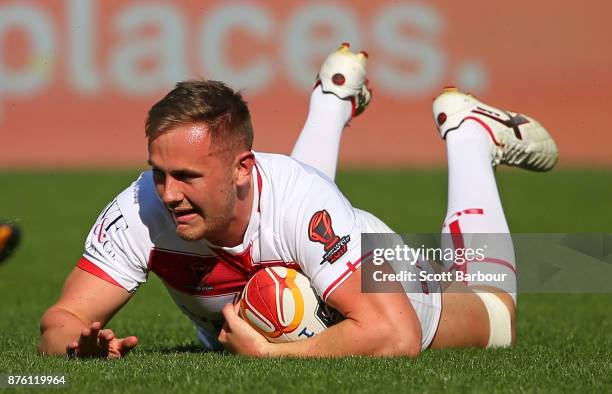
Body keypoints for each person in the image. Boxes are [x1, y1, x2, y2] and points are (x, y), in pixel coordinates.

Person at [38, 43, 557, 358]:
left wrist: (270, 357)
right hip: (302, 226)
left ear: (244, 166)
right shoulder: (141, 209)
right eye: (158, 173)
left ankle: (467, 134)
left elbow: (393, 333)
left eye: (186, 177)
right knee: (289, 218)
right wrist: (77, 346)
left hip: (372, 261)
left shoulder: (300, 204)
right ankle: (334, 95)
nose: (168, 194)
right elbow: (61, 317)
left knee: (497, 317)